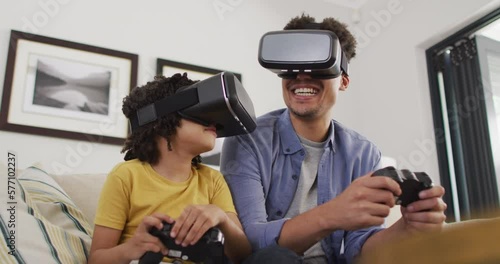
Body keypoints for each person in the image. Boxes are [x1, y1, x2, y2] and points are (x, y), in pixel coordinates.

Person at [220, 14, 447, 264]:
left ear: (344, 81)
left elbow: (357, 249)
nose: (302, 76)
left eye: (318, 66)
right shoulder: (247, 139)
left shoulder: (363, 152)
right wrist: (333, 214)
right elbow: (248, 241)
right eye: (293, 66)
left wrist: (406, 229)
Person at [88, 73, 251, 264]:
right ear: (163, 121)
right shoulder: (126, 176)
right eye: (201, 113)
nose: (213, 121)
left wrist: (222, 218)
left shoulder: (212, 180)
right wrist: (131, 249)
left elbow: (243, 255)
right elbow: (96, 259)